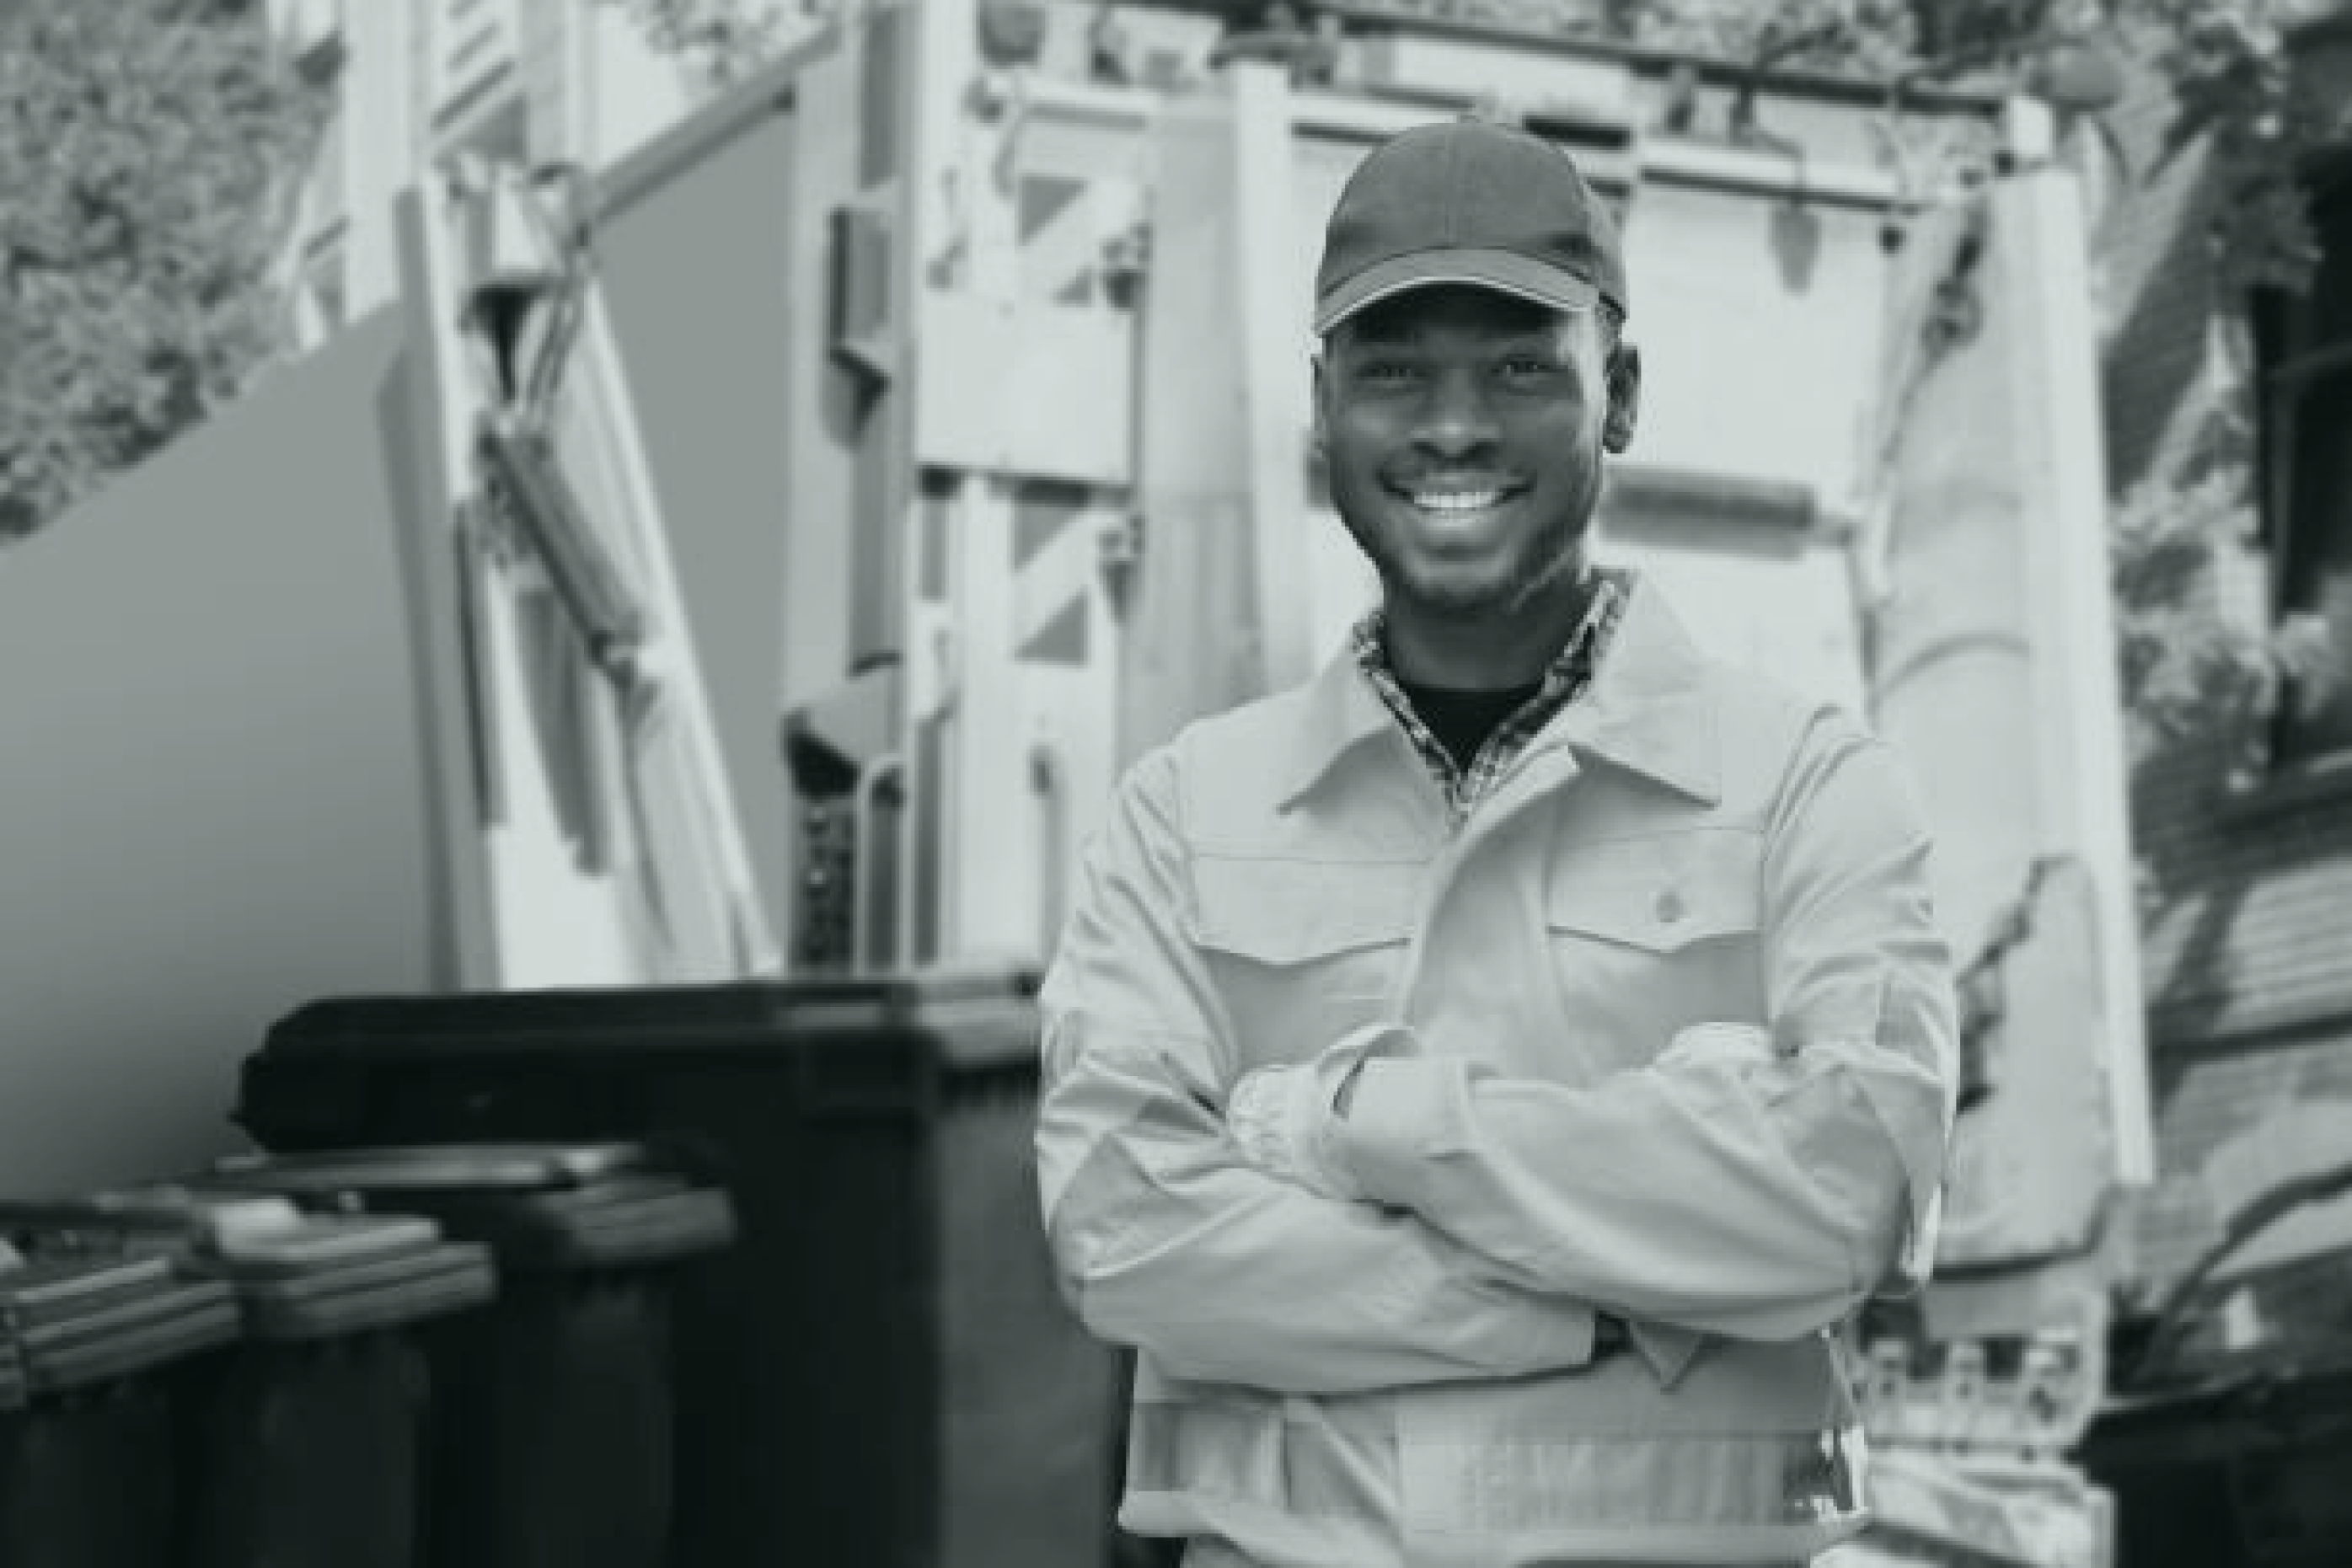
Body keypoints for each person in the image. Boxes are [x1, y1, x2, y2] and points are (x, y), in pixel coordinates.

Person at [1034, 117, 1958, 1568]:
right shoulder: (1183, 815)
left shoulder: (1805, 788)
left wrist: (1349, 1130)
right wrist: (1605, 1298)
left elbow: (1845, 1199)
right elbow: (1121, 1236)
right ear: (1320, 407)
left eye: (1520, 367)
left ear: (1621, 393)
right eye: (1392, 369)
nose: (1451, 425)